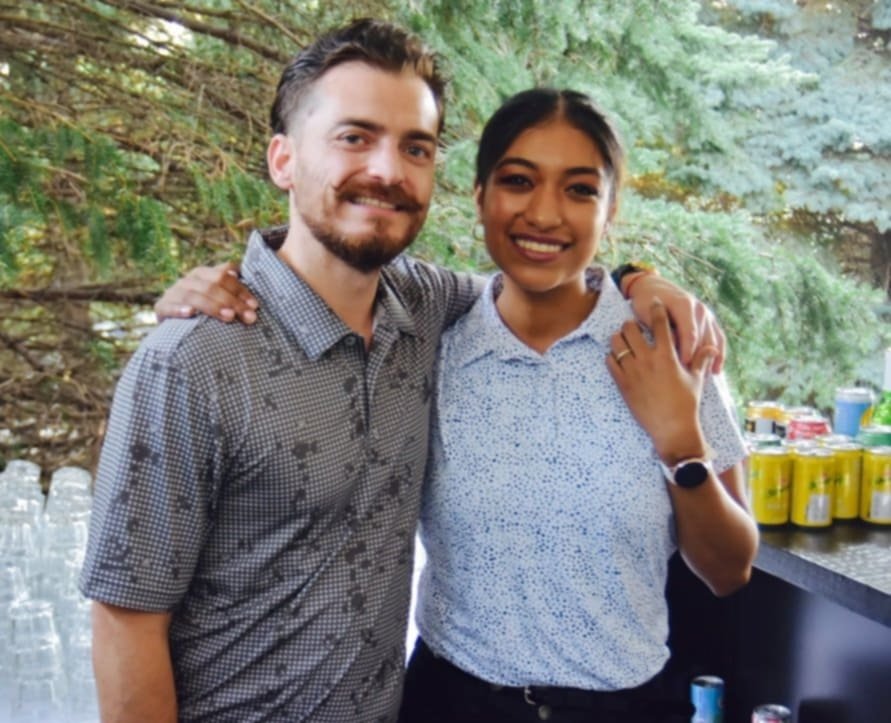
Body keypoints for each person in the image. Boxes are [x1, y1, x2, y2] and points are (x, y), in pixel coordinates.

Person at [81, 19, 733, 723]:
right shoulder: (192, 361)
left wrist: (641, 281)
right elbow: (126, 616)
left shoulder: (428, 311)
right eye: (354, 136)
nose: (387, 171)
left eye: (413, 147)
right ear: (282, 159)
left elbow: (540, 278)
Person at [393, 88, 758, 723]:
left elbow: (730, 569)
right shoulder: (432, 347)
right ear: (479, 195)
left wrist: (680, 446)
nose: (544, 214)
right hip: (450, 702)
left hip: (625, 707)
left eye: (579, 189)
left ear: (610, 211)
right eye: (518, 180)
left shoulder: (671, 347)